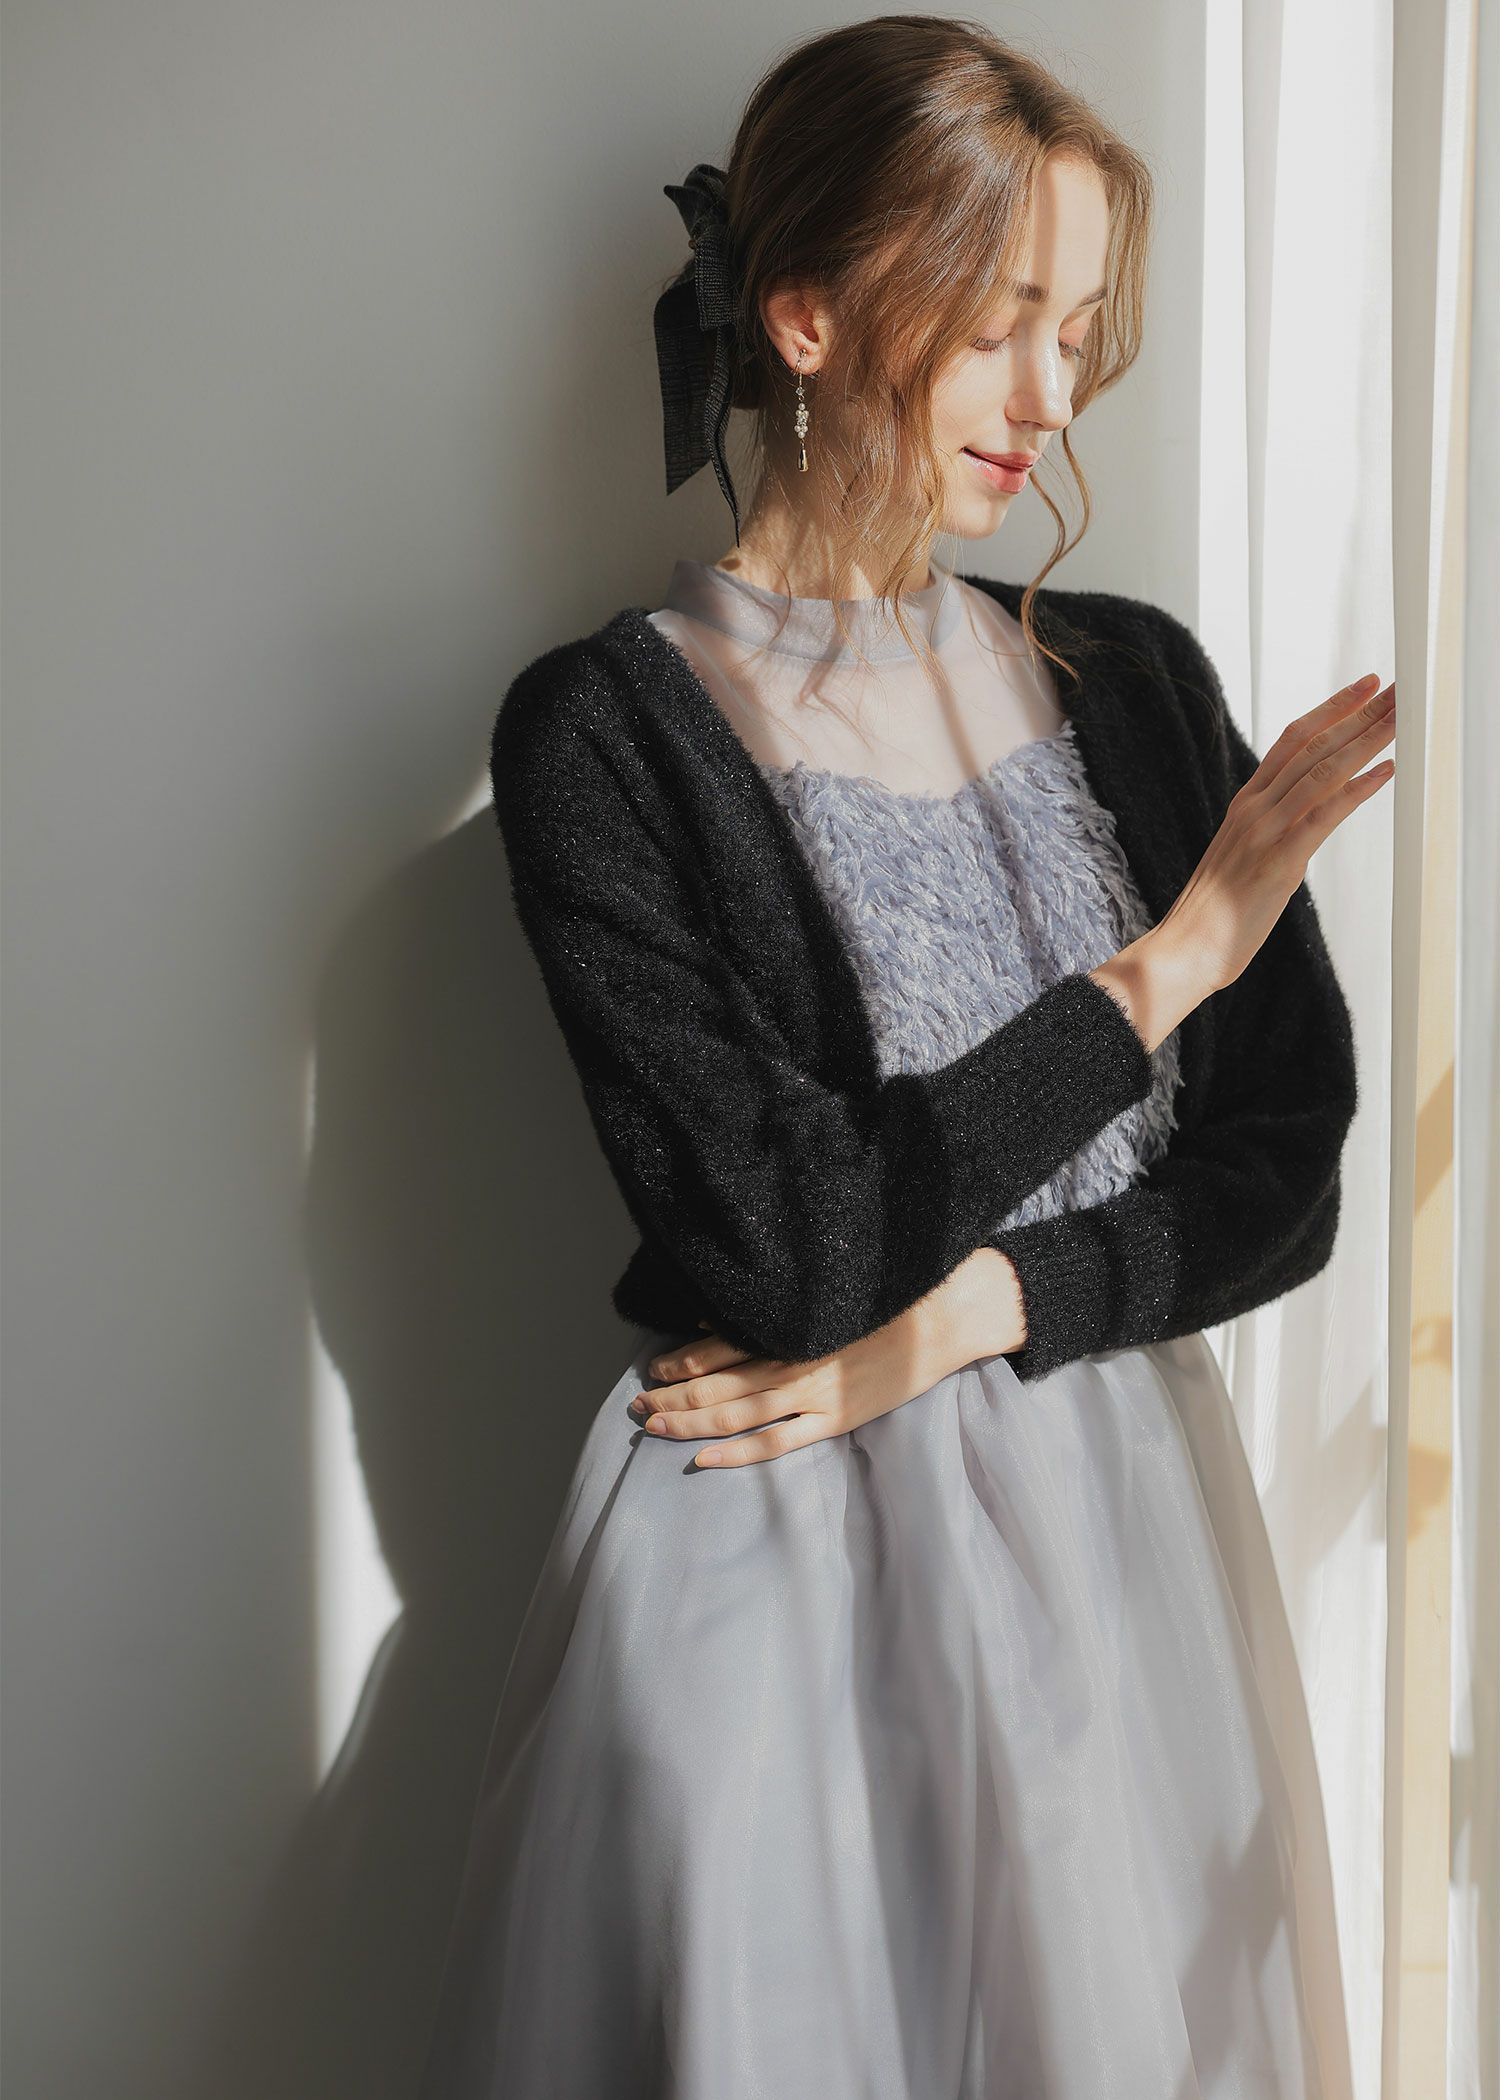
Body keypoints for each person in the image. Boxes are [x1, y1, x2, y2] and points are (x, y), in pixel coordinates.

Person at [417, 20, 1394, 2097]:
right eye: (1002, 322)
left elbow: (1289, 1175)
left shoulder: (1135, 679)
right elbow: (790, 1248)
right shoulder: (604, 737)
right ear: (805, 315)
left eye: (1082, 331)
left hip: (1133, 1567)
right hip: (775, 1571)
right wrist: (1171, 964)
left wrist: (969, 1319)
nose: (1055, 397)